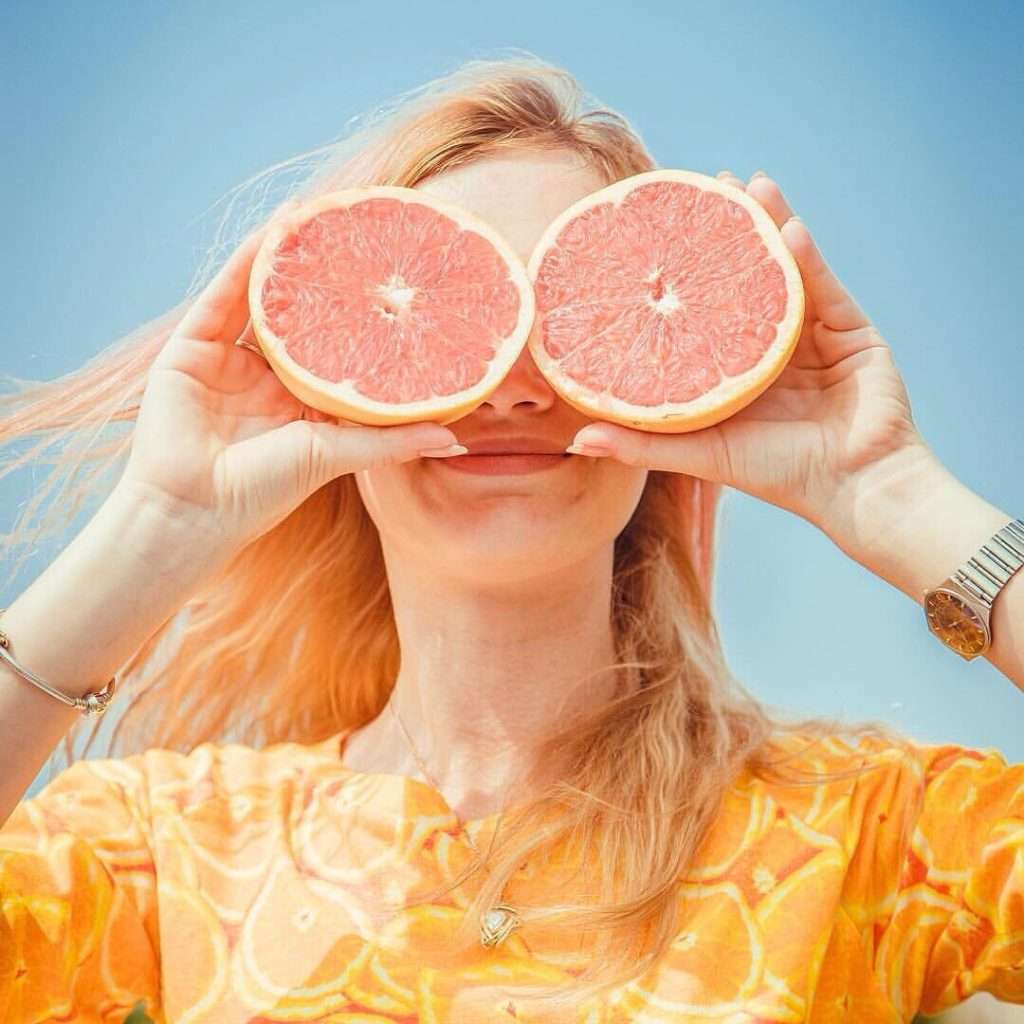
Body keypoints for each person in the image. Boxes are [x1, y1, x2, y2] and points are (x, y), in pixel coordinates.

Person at [1, 55, 1022, 1024]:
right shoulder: (168, 843)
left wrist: (892, 495)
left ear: (656, 400)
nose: (511, 382)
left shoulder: (872, 830)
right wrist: (162, 519)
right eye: (449, 316)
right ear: (333, 378)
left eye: (567, 323)